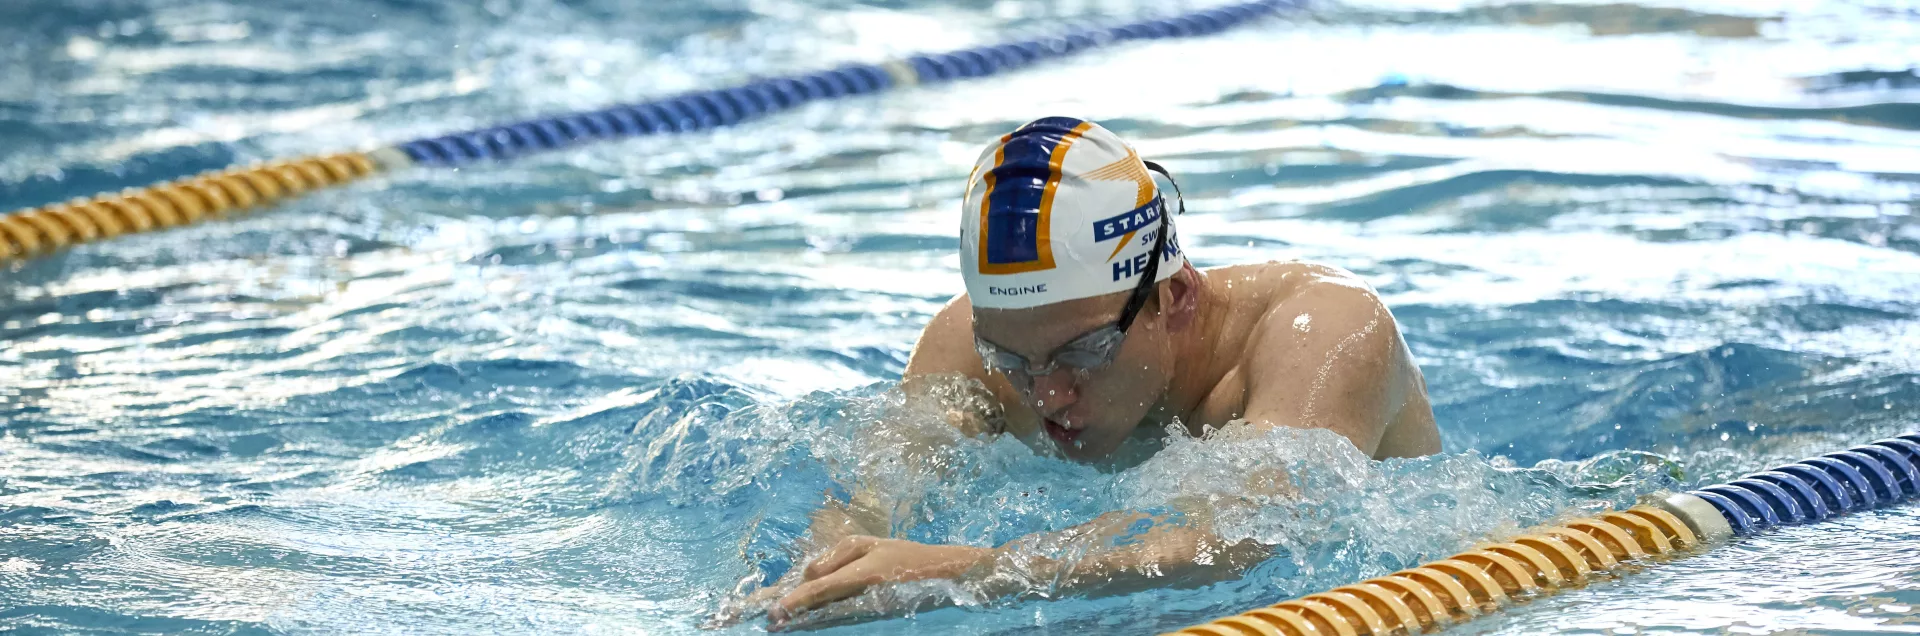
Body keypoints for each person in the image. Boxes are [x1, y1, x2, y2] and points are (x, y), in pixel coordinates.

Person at [750, 116, 1440, 629]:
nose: (1047, 394)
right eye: (1013, 360)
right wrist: (802, 588)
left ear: (1175, 295)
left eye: (1084, 354)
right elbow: (871, 495)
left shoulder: (1323, 333)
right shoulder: (969, 347)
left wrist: (969, 570)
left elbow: (1250, 535)